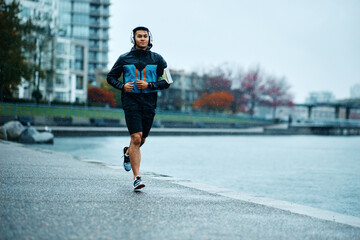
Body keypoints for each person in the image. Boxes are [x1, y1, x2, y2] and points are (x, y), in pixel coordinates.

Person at [107, 26, 170, 190]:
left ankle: (128, 153)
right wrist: (122, 86)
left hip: (149, 103)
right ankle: (136, 178)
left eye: (145, 36)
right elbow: (110, 77)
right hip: (131, 102)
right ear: (133, 39)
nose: (142, 39)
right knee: (136, 137)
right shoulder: (124, 58)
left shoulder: (158, 59)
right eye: (139, 36)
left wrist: (150, 84)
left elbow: (167, 81)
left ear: (149, 39)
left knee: (142, 140)